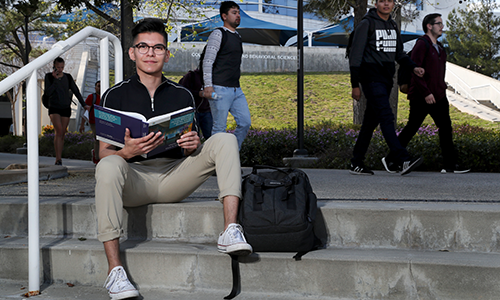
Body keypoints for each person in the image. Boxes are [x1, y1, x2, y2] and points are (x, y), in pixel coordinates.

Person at [96, 18, 252, 300]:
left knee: (226, 139)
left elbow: (189, 145)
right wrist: (126, 152)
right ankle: (115, 271)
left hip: (174, 176)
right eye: (143, 47)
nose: (150, 53)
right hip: (134, 181)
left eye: (158, 48)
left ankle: (230, 229)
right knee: (109, 164)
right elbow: (103, 153)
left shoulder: (182, 95)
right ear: (132, 53)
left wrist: (194, 145)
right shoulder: (113, 96)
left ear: (167, 54)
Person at [383, 14, 470, 174]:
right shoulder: (421, 45)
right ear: (429, 26)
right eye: (439, 24)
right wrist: (426, 93)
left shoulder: (440, 48)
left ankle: (450, 165)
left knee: (445, 128)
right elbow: (416, 71)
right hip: (421, 96)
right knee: (411, 128)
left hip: (439, 96)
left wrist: (440, 91)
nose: (442, 27)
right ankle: (390, 159)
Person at [348, 0, 425, 176]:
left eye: (389, 1)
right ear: (376, 4)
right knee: (386, 115)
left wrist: (413, 67)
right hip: (370, 78)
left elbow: (399, 54)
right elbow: (355, 57)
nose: (386, 4)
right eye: (382, 1)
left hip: (386, 79)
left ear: (393, 4)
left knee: (369, 123)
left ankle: (356, 162)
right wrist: (355, 85)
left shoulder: (392, 25)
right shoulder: (366, 24)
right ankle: (402, 159)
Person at [202, 1, 251, 149]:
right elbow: (208, 61)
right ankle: (216, 164)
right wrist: (208, 86)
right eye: (234, 12)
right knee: (219, 129)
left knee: (245, 122)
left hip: (236, 90)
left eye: (238, 12)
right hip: (219, 88)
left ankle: (230, 156)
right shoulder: (218, 34)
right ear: (224, 16)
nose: (238, 15)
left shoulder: (238, 36)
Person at [44, 57, 90, 165]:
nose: (60, 69)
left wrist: (84, 105)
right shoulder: (48, 77)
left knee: (63, 133)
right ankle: (58, 158)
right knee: (59, 131)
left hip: (65, 107)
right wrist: (55, 79)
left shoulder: (68, 77)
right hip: (54, 107)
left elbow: (76, 91)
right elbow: (48, 93)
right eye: (58, 67)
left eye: (62, 67)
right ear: (54, 66)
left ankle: (59, 157)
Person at [179, 46, 213, 140]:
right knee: (192, 140)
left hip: (207, 112)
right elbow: (183, 91)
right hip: (193, 112)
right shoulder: (192, 76)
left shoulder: (213, 78)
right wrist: (199, 93)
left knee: (211, 139)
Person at [79, 81, 101, 164]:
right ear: (95, 88)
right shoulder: (91, 97)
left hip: (103, 122)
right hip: (93, 121)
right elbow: (86, 111)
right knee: (97, 139)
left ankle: (98, 154)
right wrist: (82, 125)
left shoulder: (105, 97)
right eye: (98, 86)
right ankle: (97, 158)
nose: (100, 88)